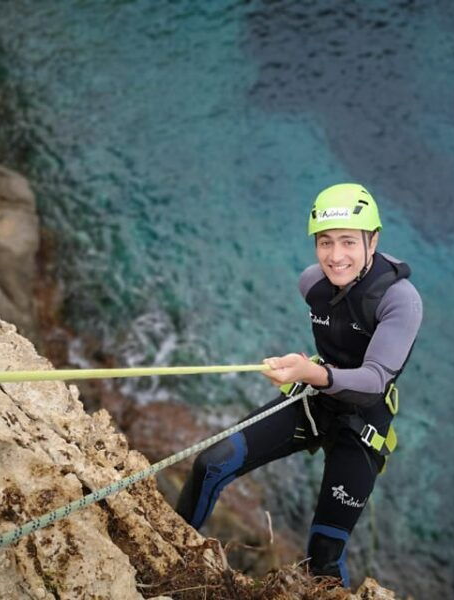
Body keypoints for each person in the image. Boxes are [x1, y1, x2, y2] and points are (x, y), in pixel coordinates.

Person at [176, 183, 423, 587]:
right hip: (315, 401)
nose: (335, 256)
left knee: (323, 558)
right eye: (325, 242)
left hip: (362, 424)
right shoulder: (312, 284)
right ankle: (173, 558)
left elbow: (374, 382)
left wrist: (311, 373)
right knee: (210, 464)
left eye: (348, 241)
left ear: (373, 240)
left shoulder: (400, 300)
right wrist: (309, 373)